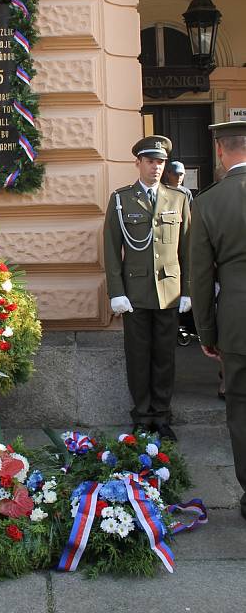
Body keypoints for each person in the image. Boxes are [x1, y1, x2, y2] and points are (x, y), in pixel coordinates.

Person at [103, 135, 191, 441]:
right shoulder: (120, 199)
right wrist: (116, 291)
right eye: (150, 161)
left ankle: (163, 416)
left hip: (170, 291)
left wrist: (189, 290)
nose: (156, 167)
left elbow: (188, 249)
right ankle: (142, 417)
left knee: (165, 358)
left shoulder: (178, 198)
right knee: (138, 358)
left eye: (161, 162)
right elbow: (112, 250)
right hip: (135, 293)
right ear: (138, 163)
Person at [190, 119, 246, 520]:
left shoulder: (208, 201)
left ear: (222, 152)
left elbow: (201, 275)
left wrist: (206, 333)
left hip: (236, 320)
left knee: (241, 408)